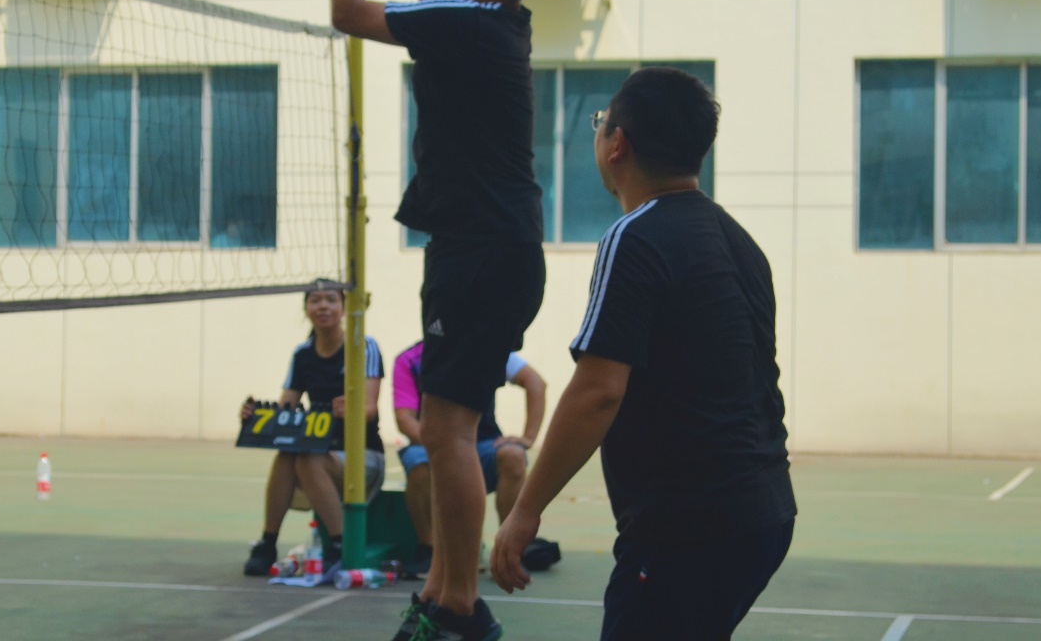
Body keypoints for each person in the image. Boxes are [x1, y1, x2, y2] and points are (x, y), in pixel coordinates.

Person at [330, 0, 564, 640]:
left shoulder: (467, 25)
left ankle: (458, 603)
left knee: (449, 432)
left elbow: (348, 7)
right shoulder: (485, 15)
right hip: (489, 248)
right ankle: (442, 591)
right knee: (443, 427)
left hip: (482, 252)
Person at [490, 68, 798, 640]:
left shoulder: (634, 237)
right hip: (765, 512)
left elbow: (597, 392)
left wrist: (524, 510)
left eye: (600, 121)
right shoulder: (741, 241)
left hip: (689, 528)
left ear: (618, 144)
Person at [241, 280, 386, 577]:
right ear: (306, 308)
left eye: (331, 300)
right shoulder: (302, 354)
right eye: (315, 300)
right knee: (287, 455)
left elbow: (370, 410)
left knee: (308, 457)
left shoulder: (363, 347)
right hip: (320, 454)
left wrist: (353, 411)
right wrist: (255, 416)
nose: (323, 306)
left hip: (364, 457)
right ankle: (268, 543)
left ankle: (339, 546)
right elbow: (286, 410)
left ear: (343, 307)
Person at [392, 340, 556, 580]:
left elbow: (535, 383)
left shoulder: (490, 347)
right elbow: (405, 419)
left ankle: (509, 549)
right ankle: (429, 549)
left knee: (512, 455)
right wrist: (442, 447)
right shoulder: (410, 360)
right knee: (419, 462)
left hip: (482, 444)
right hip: (432, 444)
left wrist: (528, 437)